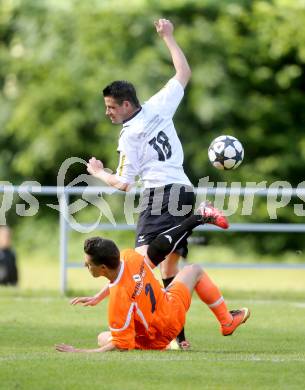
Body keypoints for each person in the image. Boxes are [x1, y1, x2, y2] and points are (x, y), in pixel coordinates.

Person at [86, 18, 194, 348]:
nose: (109, 113)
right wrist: (169, 37)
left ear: (127, 105)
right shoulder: (159, 104)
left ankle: (143, 333)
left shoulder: (129, 136)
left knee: (139, 264)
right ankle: (181, 337)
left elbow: (123, 184)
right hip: (185, 191)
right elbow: (183, 73)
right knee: (170, 264)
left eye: (111, 108)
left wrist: (98, 172)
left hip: (160, 196)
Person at [55, 202, 250, 353]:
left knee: (103, 338)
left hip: (159, 337)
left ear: (104, 268)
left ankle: (165, 345)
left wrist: (80, 351)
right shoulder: (129, 257)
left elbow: (121, 345)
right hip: (173, 309)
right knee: (195, 270)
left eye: (89, 264)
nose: (85, 266)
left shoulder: (118, 301)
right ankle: (226, 321)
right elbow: (157, 250)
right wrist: (99, 296)